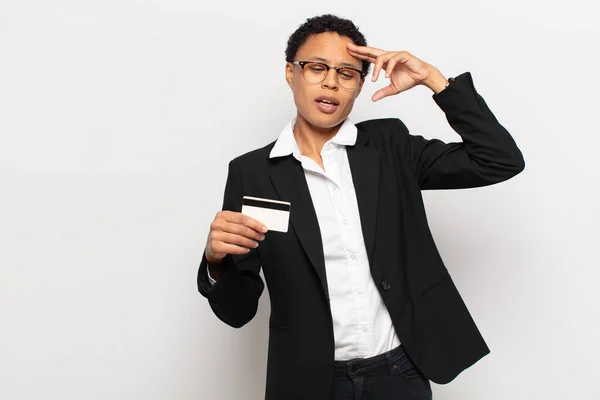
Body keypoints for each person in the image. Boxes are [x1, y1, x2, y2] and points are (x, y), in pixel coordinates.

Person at [197, 14, 525, 400]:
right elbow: (238, 311)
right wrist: (216, 262)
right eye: (316, 68)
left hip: (399, 372)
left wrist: (434, 80)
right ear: (291, 73)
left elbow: (499, 159)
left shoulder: (390, 146)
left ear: (359, 85)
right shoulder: (251, 174)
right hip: (307, 381)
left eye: (347, 73)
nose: (331, 82)